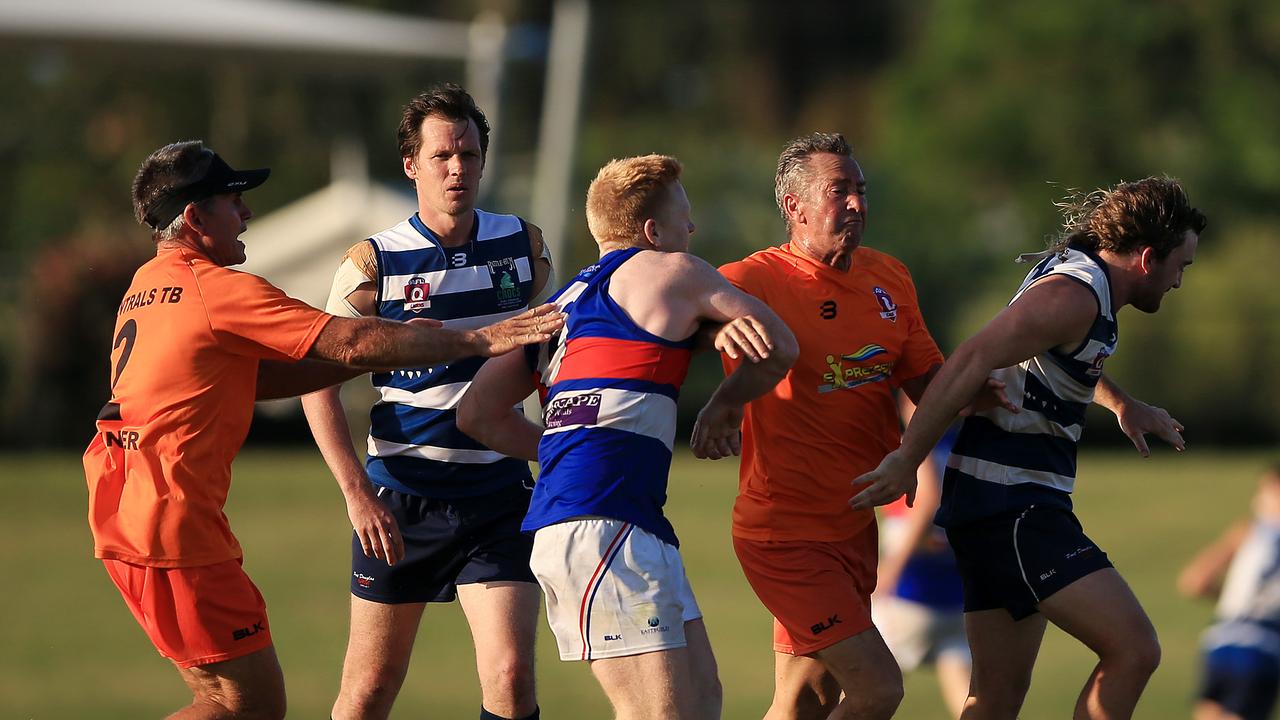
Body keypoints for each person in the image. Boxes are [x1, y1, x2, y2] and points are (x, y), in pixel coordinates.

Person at [83, 139, 562, 720]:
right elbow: (350, 337)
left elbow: (250, 380)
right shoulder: (216, 290)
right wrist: (476, 339)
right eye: (234, 201)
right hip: (174, 526)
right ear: (194, 217)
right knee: (249, 706)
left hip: (123, 514)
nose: (247, 214)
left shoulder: (146, 288)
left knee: (225, 701)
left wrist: (364, 362)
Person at [457, 154, 798, 720]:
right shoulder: (675, 271)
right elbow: (781, 344)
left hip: (617, 519)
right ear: (651, 232)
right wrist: (724, 406)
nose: (692, 230)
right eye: (684, 218)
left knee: (701, 700)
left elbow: (476, 415)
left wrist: (565, 446)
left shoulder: (559, 306)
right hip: (601, 522)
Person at [853, 177, 1206, 719]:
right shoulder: (1074, 295)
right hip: (1013, 505)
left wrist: (1120, 403)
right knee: (1134, 649)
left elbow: (1061, 358)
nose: (1180, 281)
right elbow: (971, 357)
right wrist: (908, 456)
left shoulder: (1088, 290)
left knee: (995, 699)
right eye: (1181, 266)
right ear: (1148, 258)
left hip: (998, 505)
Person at [298, 83, 556, 720]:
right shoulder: (374, 264)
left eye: (469, 155)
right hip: (401, 499)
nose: (457, 169)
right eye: (442, 156)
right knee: (369, 692)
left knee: (512, 676)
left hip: (497, 495)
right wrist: (357, 493)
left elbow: (544, 354)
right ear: (412, 164)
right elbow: (316, 382)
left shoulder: (523, 248)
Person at [718, 131, 995, 720]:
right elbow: (669, 308)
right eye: (838, 191)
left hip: (852, 526)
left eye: (861, 191)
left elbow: (928, 384)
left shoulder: (889, 277)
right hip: (786, 532)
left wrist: (983, 392)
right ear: (794, 206)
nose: (856, 204)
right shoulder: (748, 281)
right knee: (879, 689)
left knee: (806, 701)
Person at [873, 394, 970, 719]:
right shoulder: (964, 446)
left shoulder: (916, 447)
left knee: (862, 691)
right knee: (968, 701)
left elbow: (928, 500)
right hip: (959, 593)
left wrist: (890, 572)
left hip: (911, 592)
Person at [1179, 465, 1280, 720]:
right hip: (1263, 649)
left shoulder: (1247, 531)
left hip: (1220, 642)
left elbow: (1195, 582)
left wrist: (1234, 601)